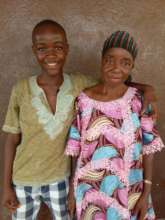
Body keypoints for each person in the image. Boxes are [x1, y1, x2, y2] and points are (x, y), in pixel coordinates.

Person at [1, 19, 157, 220]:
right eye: (42, 48)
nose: (51, 54)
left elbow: (115, 81)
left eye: (58, 47)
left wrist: (147, 89)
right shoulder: (24, 89)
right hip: (27, 179)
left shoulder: (81, 85)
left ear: (66, 49)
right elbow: (12, 139)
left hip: (67, 181)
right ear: (34, 50)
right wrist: (5, 186)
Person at [65, 31, 164, 220]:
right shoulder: (83, 101)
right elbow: (76, 150)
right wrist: (72, 189)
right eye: (110, 60)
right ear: (101, 61)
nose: (116, 68)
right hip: (88, 193)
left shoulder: (139, 101)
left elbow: (149, 149)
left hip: (129, 192)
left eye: (125, 62)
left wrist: (146, 192)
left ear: (132, 66)